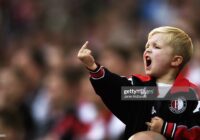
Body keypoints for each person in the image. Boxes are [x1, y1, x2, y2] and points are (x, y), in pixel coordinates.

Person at [77, 26, 200, 140]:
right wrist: (93, 67)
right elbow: (115, 88)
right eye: (147, 47)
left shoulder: (190, 93)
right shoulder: (142, 89)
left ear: (176, 60)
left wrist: (166, 128)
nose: (148, 51)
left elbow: (196, 129)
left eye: (156, 47)